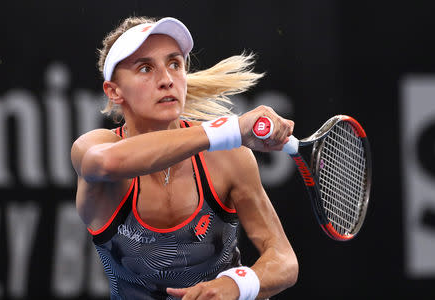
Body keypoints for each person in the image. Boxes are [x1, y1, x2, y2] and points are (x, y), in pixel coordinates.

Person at [71, 16, 298, 300]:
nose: (166, 80)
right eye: (145, 68)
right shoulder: (93, 148)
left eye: (175, 64)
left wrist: (237, 284)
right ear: (114, 91)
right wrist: (229, 129)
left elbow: (284, 261)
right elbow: (106, 162)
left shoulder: (230, 157)